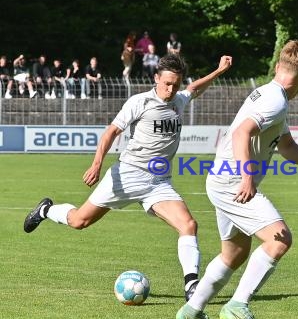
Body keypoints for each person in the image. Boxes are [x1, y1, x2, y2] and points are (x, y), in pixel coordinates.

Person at [23, 53, 233, 302]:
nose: (170, 89)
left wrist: (218, 71)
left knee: (188, 225)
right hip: (127, 174)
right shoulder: (139, 102)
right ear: (156, 78)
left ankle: (191, 286)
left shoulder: (179, 99)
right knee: (80, 221)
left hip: (158, 183)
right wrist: (97, 164)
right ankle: (47, 210)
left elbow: (193, 88)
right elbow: (112, 131)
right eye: (166, 83)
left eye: (175, 84)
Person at [175, 39, 298, 319]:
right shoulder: (275, 100)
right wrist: (247, 177)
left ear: (279, 67)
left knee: (235, 253)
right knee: (280, 239)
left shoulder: (270, 94)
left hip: (223, 179)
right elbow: (242, 133)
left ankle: (192, 309)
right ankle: (238, 304)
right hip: (232, 182)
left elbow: (287, 145)